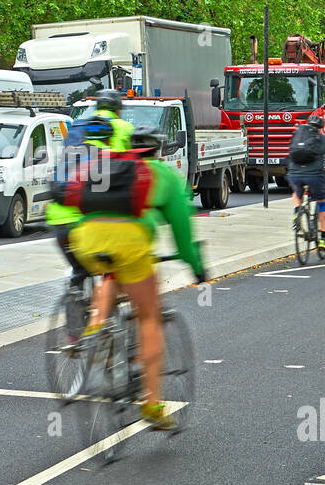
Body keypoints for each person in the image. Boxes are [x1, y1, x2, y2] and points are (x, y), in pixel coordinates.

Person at [67, 131, 206, 431]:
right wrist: (196, 267)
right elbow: (182, 233)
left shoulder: (108, 164)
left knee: (111, 275)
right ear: (158, 152)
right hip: (130, 244)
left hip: (85, 240)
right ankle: (152, 404)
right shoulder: (164, 176)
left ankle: (95, 331)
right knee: (149, 316)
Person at [46, 90, 132, 291]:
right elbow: (133, 169)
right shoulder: (124, 128)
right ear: (118, 110)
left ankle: (75, 296)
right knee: (118, 265)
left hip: (58, 214)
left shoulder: (77, 127)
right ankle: (106, 313)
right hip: (94, 213)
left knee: (79, 270)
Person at [286, 112, 325, 251]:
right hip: (315, 177)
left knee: (297, 192)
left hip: (294, 174)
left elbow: (290, 153)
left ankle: (297, 212)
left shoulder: (298, 134)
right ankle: (323, 240)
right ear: (320, 128)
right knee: (323, 202)